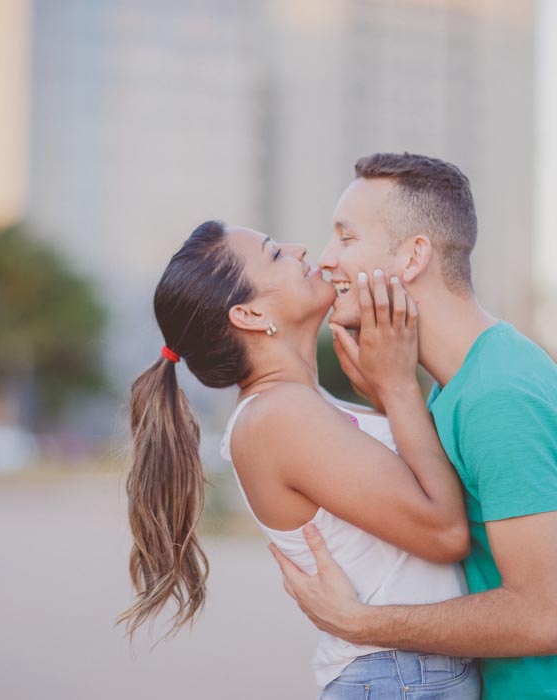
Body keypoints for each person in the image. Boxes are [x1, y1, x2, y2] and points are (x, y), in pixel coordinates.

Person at [269, 152, 557, 699]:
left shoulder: (499, 396)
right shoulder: (458, 384)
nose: (325, 261)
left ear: (414, 255)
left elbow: (542, 618)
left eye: (346, 239)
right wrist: (394, 395)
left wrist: (359, 622)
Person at [119, 219, 481, 698]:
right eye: (274, 253)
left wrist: (384, 393)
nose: (300, 249)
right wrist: (397, 388)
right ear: (248, 315)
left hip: (406, 673)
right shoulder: (276, 417)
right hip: (398, 676)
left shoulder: (306, 406)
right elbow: (446, 532)